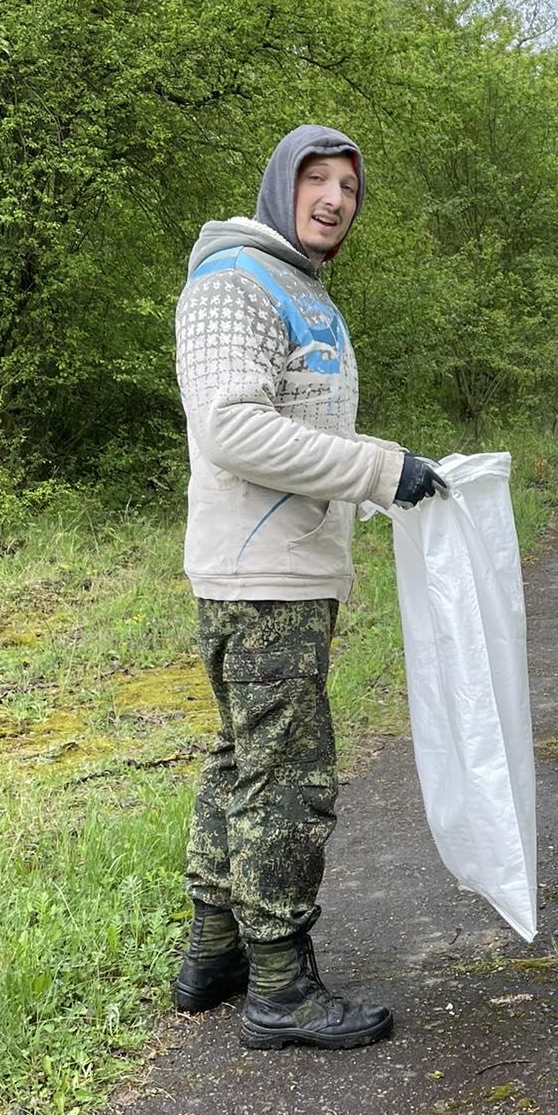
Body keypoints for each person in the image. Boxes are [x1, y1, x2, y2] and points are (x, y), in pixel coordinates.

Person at [170, 124, 447, 1051]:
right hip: (259, 579)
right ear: (280, 185)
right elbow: (232, 430)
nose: (334, 199)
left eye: (350, 188)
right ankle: (281, 988)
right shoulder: (233, 283)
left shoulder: (303, 290)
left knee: (242, 762)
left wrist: (380, 481)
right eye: (316, 181)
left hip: (289, 572)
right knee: (288, 781)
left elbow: (300, 430)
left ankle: (215, 954)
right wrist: (378, 470)